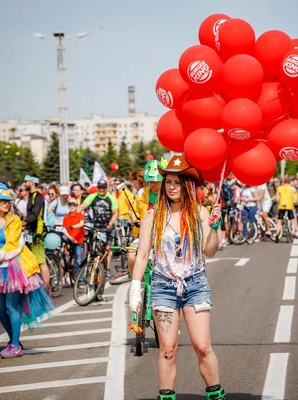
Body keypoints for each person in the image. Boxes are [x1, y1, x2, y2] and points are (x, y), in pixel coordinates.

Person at [128, 155, 225, 400]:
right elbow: (141, 256)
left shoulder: (200, 213)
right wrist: (135, 289)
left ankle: (215, 394)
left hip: (195, 284)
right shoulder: (153, 216)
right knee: (168, 350)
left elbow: (209, 251)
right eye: (168, 181)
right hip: (163, 286)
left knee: (202, 346)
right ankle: (167, 396)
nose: (172, 187)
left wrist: (214, 229)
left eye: (177, 182)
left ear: (187, 185)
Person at [0, 184, 54, 358]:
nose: (6, 204)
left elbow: (15, 245)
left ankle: (15, 345)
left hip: (13, 265)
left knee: (11, 306)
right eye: (3, 201)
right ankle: (14, 340)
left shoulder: (15, 220)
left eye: (8, 201)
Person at [79, 178, 119, 280]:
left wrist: (110, 223)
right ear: (97, 188)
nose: (101, 189)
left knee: (107, 249)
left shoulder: (111, 198)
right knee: (94, 248)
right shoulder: (92, 197)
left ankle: (107, 269)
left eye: (103, 187)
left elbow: (115, 213)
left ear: (106, 188)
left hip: (107, 227)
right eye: (99, 187)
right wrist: (75, 216)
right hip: (96, 227)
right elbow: (82, 207)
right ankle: (92, 266)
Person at [22, 175, 50, 286]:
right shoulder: (31, 196)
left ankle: (46, 286)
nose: (24, 184)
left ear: (32, 182)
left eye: (26, 181)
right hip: (30, 231)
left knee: (41, 261)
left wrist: (23, 222)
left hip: (37, 232)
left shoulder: (38, 197)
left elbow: (34, 215)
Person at [62, 197, 85, 279]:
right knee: (64, 254)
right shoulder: (66, 217)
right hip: (70, 239)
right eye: (70, 205)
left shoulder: (80, 215)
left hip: (78, 240)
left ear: (76, 206)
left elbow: (82, 223)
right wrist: (70, 238)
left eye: (74, 205)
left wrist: (75, 226)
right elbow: (64, 229)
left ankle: (80, 278)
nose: (72, 207)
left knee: (79, 259)